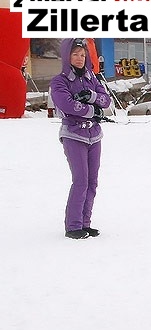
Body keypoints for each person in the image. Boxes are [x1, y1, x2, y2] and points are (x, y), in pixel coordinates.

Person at [49, 38, 111, 239]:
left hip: (94, 135)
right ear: (67, 56)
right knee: (80, 181)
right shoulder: (59, 81)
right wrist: (92, 110)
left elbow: (105, 100)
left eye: (83, 55)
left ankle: (85, 222)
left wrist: (90, 96)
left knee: (92, 182)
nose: (79, 58)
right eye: (75, 54)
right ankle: (73, 226)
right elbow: (66, 104)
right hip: (73, 135)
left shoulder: (92, 78)